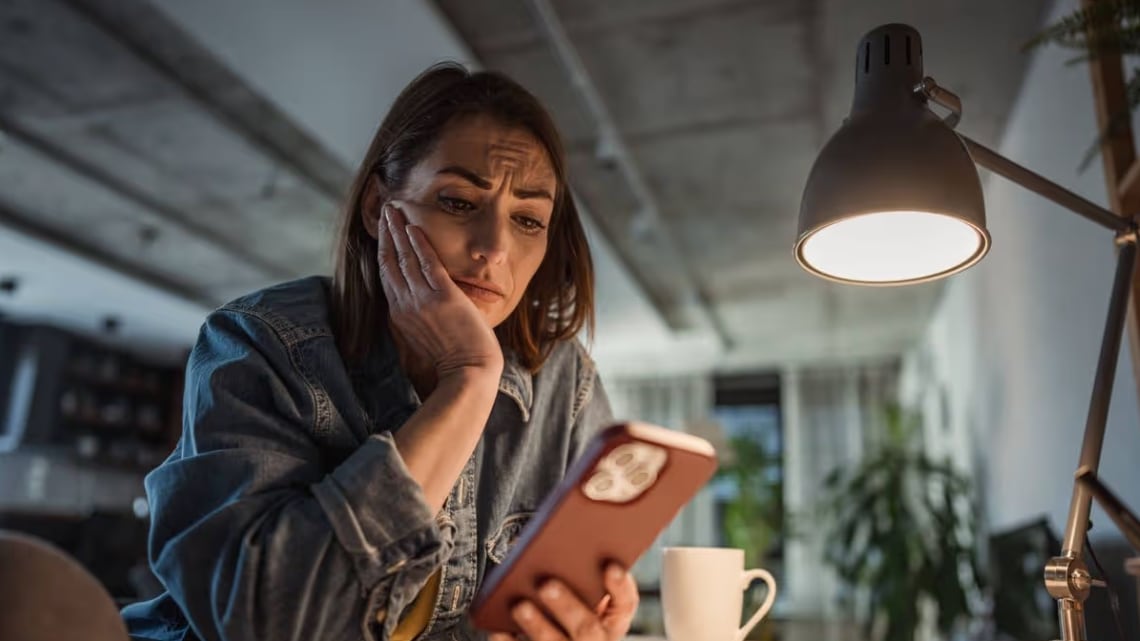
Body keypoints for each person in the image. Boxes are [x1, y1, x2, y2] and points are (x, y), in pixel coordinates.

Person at [121, 63, 638, 641]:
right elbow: (270, 625)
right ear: (377, 208)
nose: (494, 248)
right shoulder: (259, 343)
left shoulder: (565, 383)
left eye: (527, 219)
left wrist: (587, 622)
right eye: (459, 202)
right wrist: (468, 381)